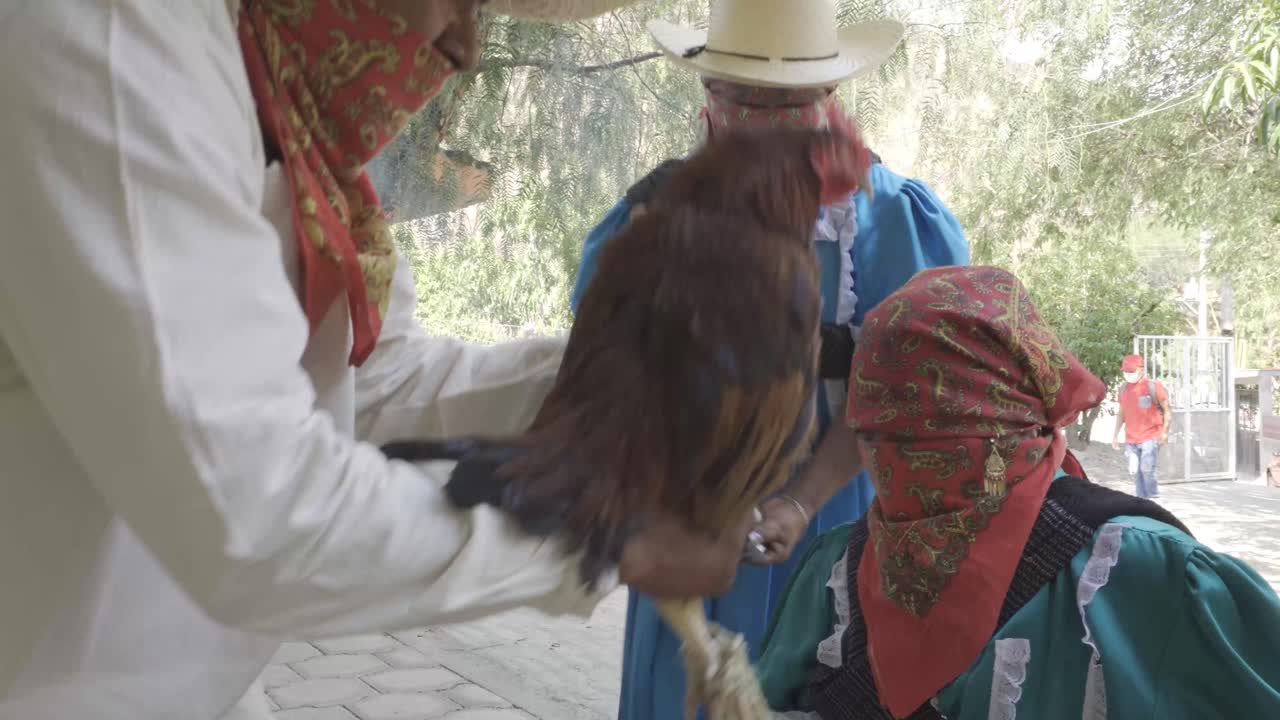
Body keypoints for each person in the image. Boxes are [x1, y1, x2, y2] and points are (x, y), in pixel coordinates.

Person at [0, 2, 756, 719]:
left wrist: (626, 386)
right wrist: (598, 544)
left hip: (191, 688)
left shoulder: (283, 106)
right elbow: (254, 514)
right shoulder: (112, 45)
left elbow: (375, 385)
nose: (465, 50)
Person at [570, 1, 970, 717]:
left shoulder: (887, 220)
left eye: (787, 104)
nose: (763, 123)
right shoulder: (651, 216)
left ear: (828, 100)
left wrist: (798, 501)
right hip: (686, 524)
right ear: (709, 99)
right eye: (744, 99)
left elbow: (905, 393)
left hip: (837, 521)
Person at [753, 266, 1280, 719]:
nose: (900, 465)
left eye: (928, 439)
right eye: (878, 437)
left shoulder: (1142, 579)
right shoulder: (837, 575)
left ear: (1008, 425)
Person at [1111, 354, 1173, 499]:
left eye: (1131, 371)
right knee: (1135, 471)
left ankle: (1153, 497)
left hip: (1151, 437)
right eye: (1126, 371)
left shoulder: (1154, 387)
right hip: (1131, 439)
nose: (1128, 374)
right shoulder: (1123, 389)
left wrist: (1164, 433)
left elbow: (1167, 410)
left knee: (1146, 468)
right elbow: (1121, 413)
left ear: (1141, 370)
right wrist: (1115, 435)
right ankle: (1142, 500)